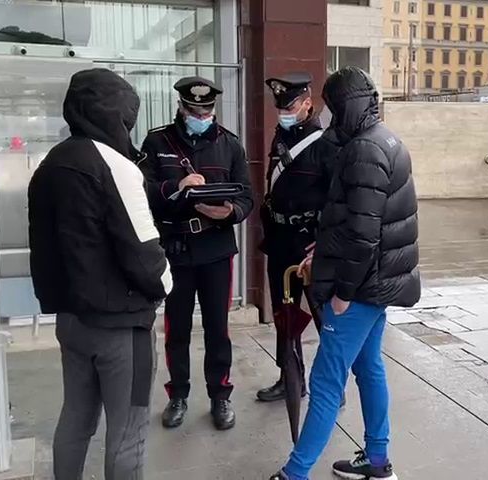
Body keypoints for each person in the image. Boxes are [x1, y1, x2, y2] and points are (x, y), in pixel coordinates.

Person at [270, 66, 421, 480]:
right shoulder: (384, 139)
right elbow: (362, 220)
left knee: (324, 384)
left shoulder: (364, 150)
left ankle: (294, 474)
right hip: (376, 285)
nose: (332, 117)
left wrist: (344, 293)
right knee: (368, 367)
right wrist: (326, 248)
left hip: (360, 288)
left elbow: (365, 235)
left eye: (335, 107)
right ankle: (377, 461)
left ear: (347, 106)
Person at [28, 68, 173, 480]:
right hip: (121, 329)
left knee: (75, 420)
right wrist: (166, 283)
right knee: (128, 435)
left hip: (71, 321)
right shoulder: (117, 165)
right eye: (128, 118)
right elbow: (144, 255)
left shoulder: (51, 164)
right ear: (115, 115)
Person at [138, 76, 253, 431]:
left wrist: (230, 212)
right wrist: (177, 186)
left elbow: (247, 196)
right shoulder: (158, 142)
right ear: (181, 107)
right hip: (175, 248)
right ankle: (178, 394)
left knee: (218, 327)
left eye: (206, 110)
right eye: (193, 109)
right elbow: (142, 191)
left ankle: (220, 395)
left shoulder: (230, 145)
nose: (200, 115)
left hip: (216, 247)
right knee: (177, 328)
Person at [256, 72, 340, 402]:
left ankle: (332, 383)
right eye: (280, 107)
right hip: (280, 240)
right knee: (284, 314)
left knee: (322, 317)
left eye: (289, 106)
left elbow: (336, 201)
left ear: (308, 104)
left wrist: (323, 244)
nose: (284, 112)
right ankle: (290, 377)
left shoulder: (325, 144)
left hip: (309, 244)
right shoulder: (281, 139)